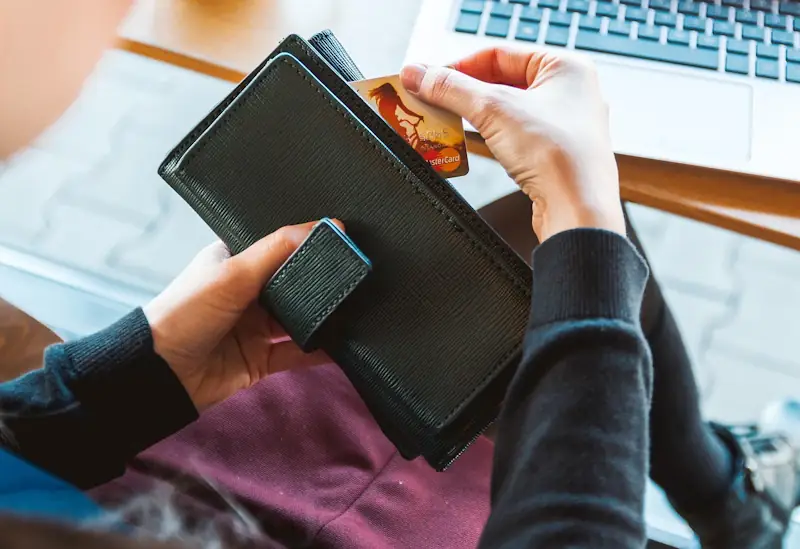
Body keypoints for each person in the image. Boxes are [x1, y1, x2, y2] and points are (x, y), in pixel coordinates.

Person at [0, 2, 795, 549]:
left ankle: (730, 495)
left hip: (140, 463)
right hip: (238, 506)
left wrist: (129, 378)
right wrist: (583, 218)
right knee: (576, 259)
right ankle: (733, 501)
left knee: (525, 253)